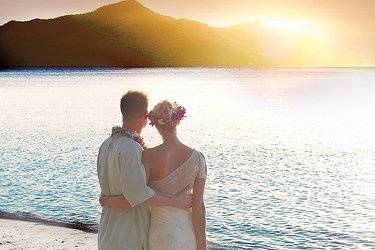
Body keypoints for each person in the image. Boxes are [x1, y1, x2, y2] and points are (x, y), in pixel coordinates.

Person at [100, 100, 207, 250]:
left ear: (155, 124)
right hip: (186, 232)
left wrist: (108, 201)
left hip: (158, 233)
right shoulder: (198, 158)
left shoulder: (147, 156)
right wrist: (202, 245)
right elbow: (198, 208)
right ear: (177, 121)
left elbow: (139, 197)